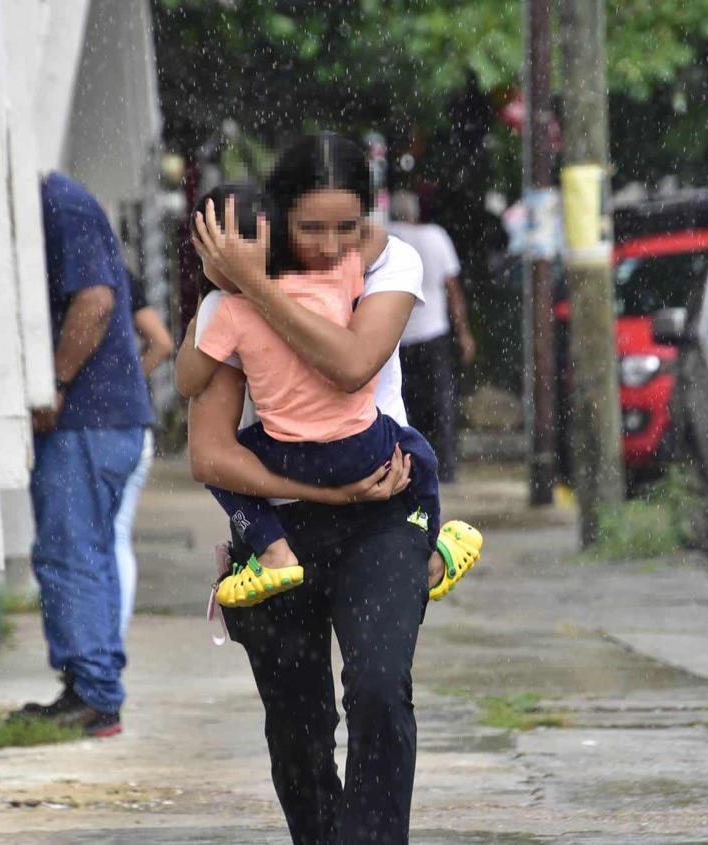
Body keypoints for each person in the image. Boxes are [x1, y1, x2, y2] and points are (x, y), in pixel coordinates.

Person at [186, 132, 476, 844]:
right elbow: (210, 452)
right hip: (281, 525)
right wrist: (317, 498)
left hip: (381, 510)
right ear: (276, 218)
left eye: (346, 225)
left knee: (379, 688)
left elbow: (351, 365)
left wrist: (254, 287)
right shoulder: (225, 301)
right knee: (298, 724)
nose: (329, 243)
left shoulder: (385, 263)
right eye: (309, 226)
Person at [181, 184, 477, 610]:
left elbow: (187, 383)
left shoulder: (226, 311)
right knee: (419, 454)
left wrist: (204, 308)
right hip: (363, 448)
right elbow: (375, 241)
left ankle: (271, 549)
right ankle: (431, 545)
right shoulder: (331, 279)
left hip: (285, 455)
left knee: (221, 469)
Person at [13, 172, 151, 737]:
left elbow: (94, 301)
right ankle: (89, 686)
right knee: (80, 552)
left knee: (72, 553)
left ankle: (93, 693)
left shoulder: (59, 203)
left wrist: (55, 380)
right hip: (100, 420)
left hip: (87, 419)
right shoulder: (64, 200)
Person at [388, 189, 476, 483]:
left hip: (395, 336)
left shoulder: (387, 237)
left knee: (401, 402)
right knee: (441, 402)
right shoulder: (436, 236)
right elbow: (453, 289)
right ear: (416, 213)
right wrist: (464, 333)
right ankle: (446, 466)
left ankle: (407, 465)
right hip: (433, 333)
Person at [113, 270, 174, 637]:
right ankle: (114, 634)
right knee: (118, 535)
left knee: (103, 538)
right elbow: (162, 342)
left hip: (105, 424)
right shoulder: (120, 274)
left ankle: (108, 638)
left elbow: (162, 343)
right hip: (135, 425)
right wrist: (129, 382)